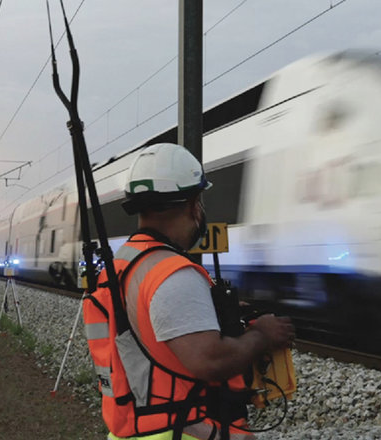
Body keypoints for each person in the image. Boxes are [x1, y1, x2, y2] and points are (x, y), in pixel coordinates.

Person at [87, 143, 294, 440]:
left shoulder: (121, 264)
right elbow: (210, 361)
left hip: (139, 429)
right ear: (193, 203)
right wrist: (263, 335)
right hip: (184, 430)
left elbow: (145, 331)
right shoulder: (172, 272)